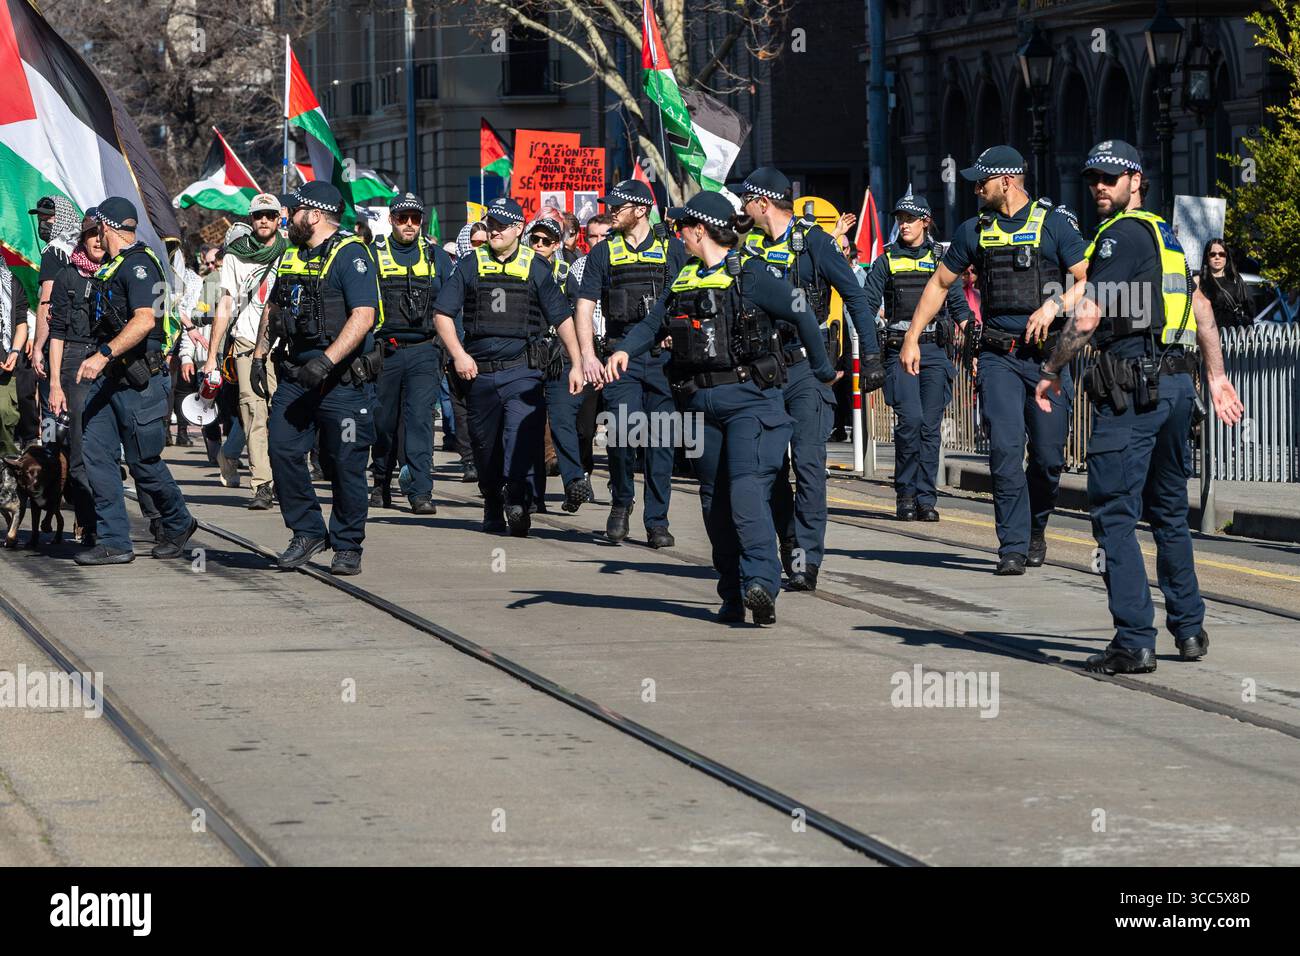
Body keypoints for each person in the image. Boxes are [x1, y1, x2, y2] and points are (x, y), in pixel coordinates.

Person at [1034, 139, 1244, 674]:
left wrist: (1051, 370)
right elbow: (1200, 309)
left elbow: (1086, 317)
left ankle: (1134, 640)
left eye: (1110, 177)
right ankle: (1190, 629)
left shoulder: (1119, 237)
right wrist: (1216, 378)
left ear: (1136, 179)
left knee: (1113, 514)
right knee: (1169, 513)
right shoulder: (1165, 236)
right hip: (1175, 390)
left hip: (1134, 393)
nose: (1100, 187)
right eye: (1092, 179)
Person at [605, 191, 838, 625]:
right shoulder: (686, 279)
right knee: (713, 500)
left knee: (746, 491)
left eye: (681, 228)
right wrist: (624, 352)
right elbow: (653, 323)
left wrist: (822, 369)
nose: (677, 235)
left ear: (699, 229)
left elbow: (803, 312)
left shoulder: (751, 276)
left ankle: (762, 585)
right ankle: (731, 593)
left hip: (750, 400)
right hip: (700, 404)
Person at [899, 145, 1089, 575]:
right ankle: (1013, 547)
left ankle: (1036, 526)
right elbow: (938, 284)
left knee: (1047, 458)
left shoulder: (1054, 225)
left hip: (1048, 358)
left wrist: (1054, 306)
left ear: (1005, 181)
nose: (975, 189)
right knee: (1004, 451)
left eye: (980, 181)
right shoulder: (974, 231)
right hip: (998, 355)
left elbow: (1088, 279)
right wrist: (912, 336)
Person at [739, 167, 884, 592]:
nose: (744, 208)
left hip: (807, 367)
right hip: (764, 368)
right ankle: (787, 540)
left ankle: (805, 559)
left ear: (763, 202)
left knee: (807, 464)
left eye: (747, 199)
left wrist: (870, 355)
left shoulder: (815, 243)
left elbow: (854, 295)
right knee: (768, 466)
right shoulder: (748, 249)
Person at [431, 197, 583, 537]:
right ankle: (491, 501)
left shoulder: (536, 267)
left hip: (522, 371)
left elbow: (562, 318)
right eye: (491, 225)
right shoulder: (470, 264)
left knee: (520, 439)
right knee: (485, 447)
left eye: (502, 225)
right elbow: (442, 314)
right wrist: (459, 354)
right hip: (479, 372)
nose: (495, 231)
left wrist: (577, 363)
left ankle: (517, 497)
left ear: (518, 229)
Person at [255, 182, 382, 576]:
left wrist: (326, 362)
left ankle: (347, 544)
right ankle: (307, 530)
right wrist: (260, 355)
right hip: (296, 377)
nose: (284, 219)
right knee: (283, 450)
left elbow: (364, 316)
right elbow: (273, 307)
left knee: (345, 462)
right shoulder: (292, 255)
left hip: (341, 380)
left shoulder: (352, 255)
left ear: (315, 214)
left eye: (292, 212)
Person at [73, 198, 197, 565]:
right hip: (109, 382)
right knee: (96, 455)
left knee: (144, 463)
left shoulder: (140, 265)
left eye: (96, 230)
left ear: (105, 228)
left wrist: (103, 354)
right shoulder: (110, 268)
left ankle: (178, 520)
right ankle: (114, 540)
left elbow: (145, 320)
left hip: (139, 380)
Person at [575, 179, 685, 547]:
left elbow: (689, 297)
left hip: (662, 358)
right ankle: (621, 502)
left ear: (641, 209)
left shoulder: (673, 249)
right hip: (620, 355)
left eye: (618, 207)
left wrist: (678, 331)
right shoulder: (603, 252)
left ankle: (657, 521)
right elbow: (585, 306)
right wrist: (588, 355)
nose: (610, 212)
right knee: (621, 435)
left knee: (661, 442)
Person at [864, 193, 971, 521]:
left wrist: (975, 339)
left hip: (935, 352)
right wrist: (868, 351)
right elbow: (866, 304)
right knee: (909, 422)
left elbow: (957, 304)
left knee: (929, 427)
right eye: (899, 218)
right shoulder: (887, 259)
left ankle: (927, 499)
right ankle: (905, 495)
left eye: (910, 219)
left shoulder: (941, 257)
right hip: (900, 351)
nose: (904, 224)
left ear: (925, 221)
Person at [368, 192, 454, 515]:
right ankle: (380, 481)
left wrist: (450, 349)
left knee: (419, 422)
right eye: (402, 218)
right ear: (391, 219)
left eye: (415, 219)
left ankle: (421, 491)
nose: (409, 224)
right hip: (385, 352)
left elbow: (451, 306)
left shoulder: (435, 258)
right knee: (383, 422)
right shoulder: (374, 254)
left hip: (423, 351)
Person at [201, 195, 287, 508]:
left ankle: (285, 478)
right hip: (247, 342)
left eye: (270, 215)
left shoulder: (290, 251)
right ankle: (263, 485)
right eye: (258, 215)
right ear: (251, 220)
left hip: (283, 346)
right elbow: (225, 304)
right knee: (253, 413)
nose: (264, 220)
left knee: (284, 414)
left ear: (279, 219)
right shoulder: (236, 255)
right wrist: (211, 355)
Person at [46, 209, 107, 540]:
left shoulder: (117, 271)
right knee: (80, 449)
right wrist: (55, 384)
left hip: (111, 362)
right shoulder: (68, 277)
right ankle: (87, 522)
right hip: (75, 362)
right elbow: (57, 332)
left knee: (110, 448)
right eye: (91, 234)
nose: (98, 240)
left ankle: (158, 521)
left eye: (101, 233)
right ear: (82, 239)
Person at [552, 213, 612, 510]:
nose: (598, 241)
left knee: (621, 420)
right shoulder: (577, 267)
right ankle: (580, 478)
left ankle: (620, 478)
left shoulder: (622, 261)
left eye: (604, 235)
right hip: (588, 351)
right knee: (584, 425)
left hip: (616, 350)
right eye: (593, 236)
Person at [1, 258, 30, 458]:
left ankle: (7, 471)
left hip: (5, 368)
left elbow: (21, 322)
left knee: (5, 415)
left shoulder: (11, 281)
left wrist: (15, 351)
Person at [1195, 238, 1255, 330]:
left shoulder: (1235, 279)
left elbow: (1249, 308)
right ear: (1207, 257)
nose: (1217, 257)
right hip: (1208, 336)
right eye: (1212, 254)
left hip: (1233, 337)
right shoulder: (1198, 281)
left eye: (1222, 254)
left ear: (1226, 257)